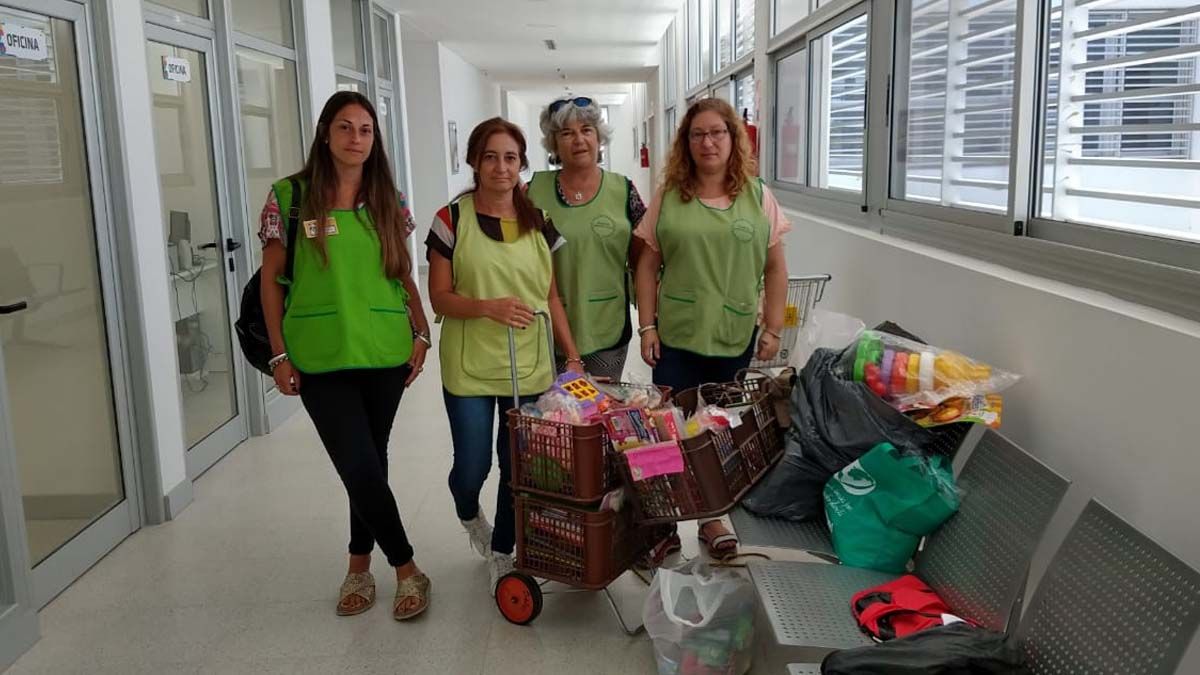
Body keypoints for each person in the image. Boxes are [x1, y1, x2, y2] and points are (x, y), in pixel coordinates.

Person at [258, 91, 432, 622]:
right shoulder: (290, 197)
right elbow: (271, 281)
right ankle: (406, 567)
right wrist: (279, 355)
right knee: (356, 462)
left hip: (383, 349)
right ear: (325, 134)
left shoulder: (388, 199)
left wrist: (421, 330)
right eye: (345, 127)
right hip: (320, 353)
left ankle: (359, 565)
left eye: (365, 129)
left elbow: (401, 270)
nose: (356, 138)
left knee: (370, 462)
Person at [426, 117, 584, 595]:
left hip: (530, 363)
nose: (501, 167)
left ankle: (503, 550)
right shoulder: (451, 219)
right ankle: (468, 510)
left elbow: (550, 296)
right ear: (474, 162)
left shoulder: (539, 221)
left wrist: (572, 356)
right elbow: (439, 297)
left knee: (518, 466)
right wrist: (486, 308)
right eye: (490, 157)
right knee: (472, 466)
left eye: (510, 158)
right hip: (471, 364)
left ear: (522, 164)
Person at [634, 98, 791, 560]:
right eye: (698, 134)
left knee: (719, 430)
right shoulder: (669, 196)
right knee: (667, 428)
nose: (708, 142)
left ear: (732, 138)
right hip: (677, 335)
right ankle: (662, 523)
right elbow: (647, 266)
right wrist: (646, 327)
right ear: (686, 142)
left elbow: (775, 269)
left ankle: (712, 518)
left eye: (717, 132)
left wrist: (774, 328)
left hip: (732, 333)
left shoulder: (758, 195)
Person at [527, 96, 647, 379]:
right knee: (555, 405)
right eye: (566, 133)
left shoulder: (624, 191)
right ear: (554, 144)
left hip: (607, 325)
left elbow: (643, 260)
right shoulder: (531, 192)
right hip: (547, 329)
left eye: (586, 130)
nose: (578, 140)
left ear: (599, 137)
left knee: (603, 401)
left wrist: (650, 323)